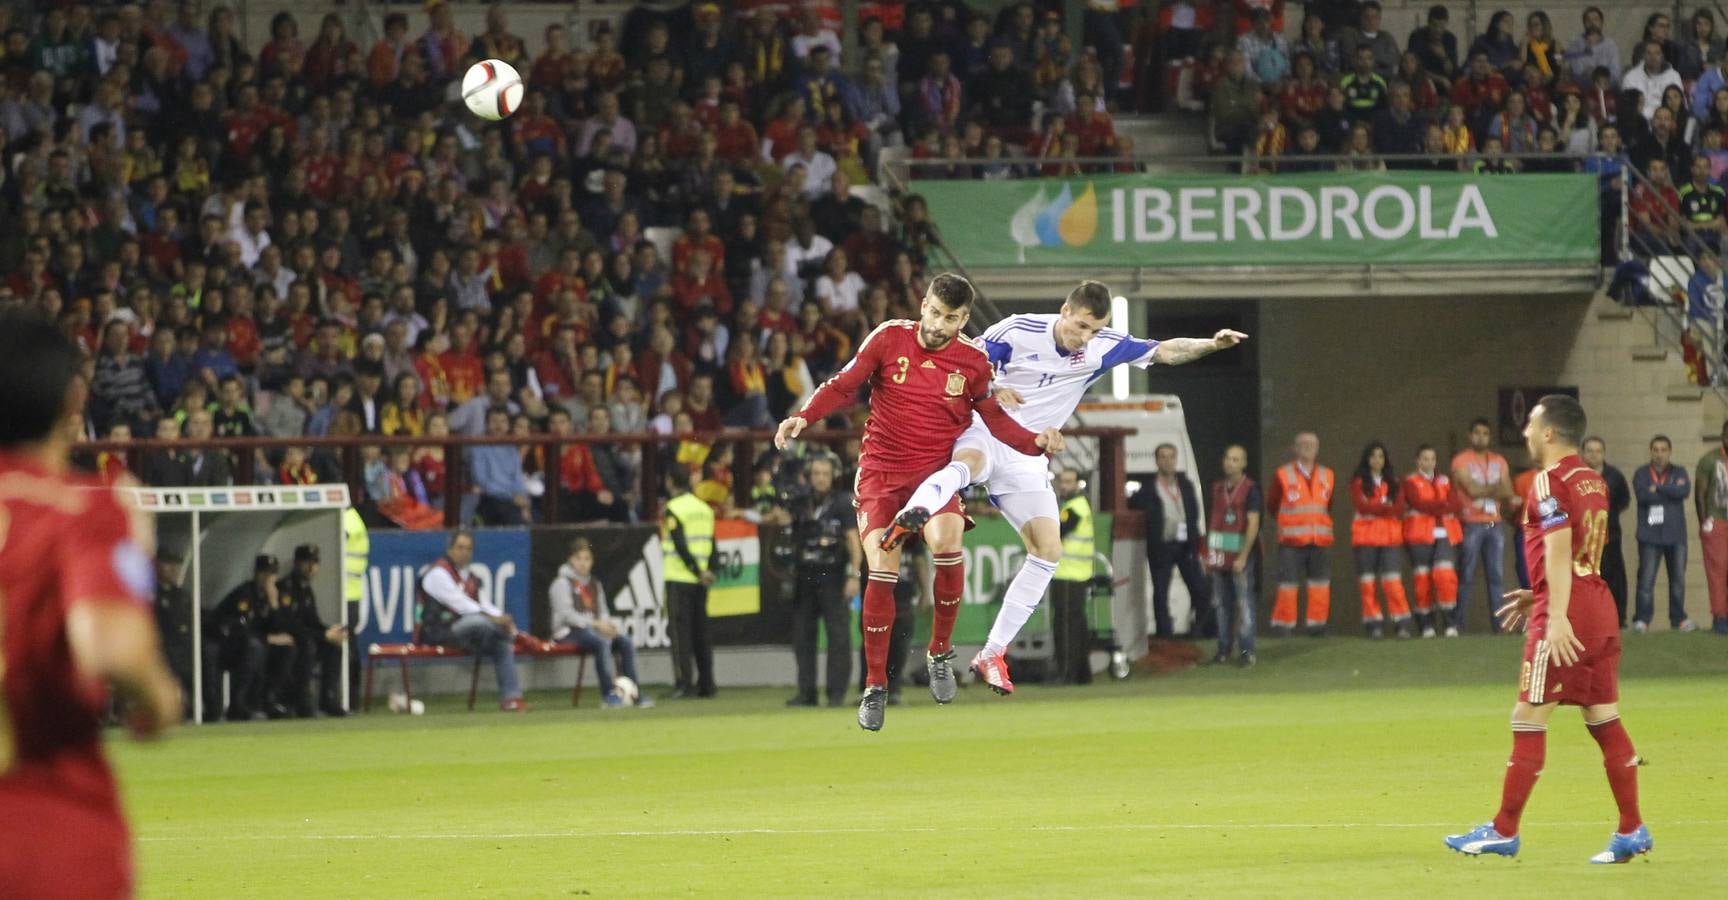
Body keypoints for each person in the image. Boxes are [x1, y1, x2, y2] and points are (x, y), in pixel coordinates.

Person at [888, 281, 1243, 693]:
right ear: (1064, 311)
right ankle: (914, 509)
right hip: (988, 430)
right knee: (968, 463)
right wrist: (991, 388)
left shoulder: (1102, 346)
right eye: (1081, 327)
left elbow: (1164, 349)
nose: (1085, 338)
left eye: (1095, 330)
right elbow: (964, 361)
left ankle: (991, 654)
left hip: (1030, 456)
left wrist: (1211, 345)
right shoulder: (1018, 330)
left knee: (1048, 550)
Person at [773, 273, 1062, 731]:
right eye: (933, 312)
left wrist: (1035, 442)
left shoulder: (972, 362)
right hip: (880, 478)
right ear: (922, 304)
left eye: (950, 318)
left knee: (948, 543)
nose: (938, 324)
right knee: (882, 570)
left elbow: (996, 422)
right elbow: (845, 384)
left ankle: (939, 652)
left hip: (935, 477)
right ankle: (874, 685)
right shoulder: (889, 337)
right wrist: (803, 416)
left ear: (963, 319)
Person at [0, 313, 180, 898]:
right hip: (43, 827)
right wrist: (157, 698)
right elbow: (108, 645)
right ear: (67, 402)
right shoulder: (80, 509)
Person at [1444, 395, 1650, 865]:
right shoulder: (1593, 478)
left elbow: (1558, 548)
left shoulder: (1548, 480)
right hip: (1599, 606)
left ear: (1550, 434)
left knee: (1528, 717)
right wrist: (1538, 594)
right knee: (1604, 719)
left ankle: (1503, 830)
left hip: (1567, 614)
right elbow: (1581, 553)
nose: (1526, 434)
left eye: (1532, 426)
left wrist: (1553, 613)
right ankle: (1631, 827)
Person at [776, 453, 859, 707]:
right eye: (816, 474)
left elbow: (853, 540)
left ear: (832, 476)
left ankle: (836, 694)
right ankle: (806, 692)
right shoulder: (801, 502)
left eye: (825, 474)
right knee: (803, 637)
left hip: (833, 575)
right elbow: (785, 523)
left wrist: (854, 574)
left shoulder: (843, 502)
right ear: (809, 477)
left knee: (839, 637)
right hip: (805, 575)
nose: (821, 479)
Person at [418, 530, 527, 712]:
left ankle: (512, 698)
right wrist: (496, 620)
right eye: (460, 547)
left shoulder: (470, 577)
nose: (464, 552)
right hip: (439, 631)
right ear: (450, 549)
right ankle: (511, 636)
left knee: (501, 643)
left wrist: (509, 625)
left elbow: (485, 604)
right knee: (480, 621)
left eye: (468, 549)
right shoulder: (438, 573)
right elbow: (462, 604)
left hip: (468, 633)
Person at [549, 538, 652, 709]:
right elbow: (566, 615)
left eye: (587, 559)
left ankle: (634, 692)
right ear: (571, 560)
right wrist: (596, 625)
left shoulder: (595, 584)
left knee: (625, 641)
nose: (583, 563)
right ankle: (609, 694)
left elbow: (603, 611)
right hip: (567, 632)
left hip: (592, 631)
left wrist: (607, 626)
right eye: (578, 559)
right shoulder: (561, 583)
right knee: (601, 642)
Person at [1133, 443, 1209, 641]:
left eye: (1171, 457)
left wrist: (1194, 536)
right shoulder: (1149, 488)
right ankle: (1164, 634)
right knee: (1161, 592)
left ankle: (1199, 628)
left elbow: (1194, 511)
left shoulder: (1185, 485)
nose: (1167, 461)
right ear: (1157, 461)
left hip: (1185, 546)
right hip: (1162, 546)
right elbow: (1137, 510)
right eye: (1163, 457)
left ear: (1176, 460)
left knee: (1200, 589)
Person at [269, 544, 348, 717]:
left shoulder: (306, 590)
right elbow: (288, 625)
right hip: (290, 641)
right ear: (297, 563)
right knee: (308, 645)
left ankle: (329, 699)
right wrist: (322, 634)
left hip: (305, 638)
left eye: (315, 562)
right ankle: (301, 699)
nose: (312, 567)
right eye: (307, 562)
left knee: (333, 646)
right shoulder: (286, 588)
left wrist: (329, 632)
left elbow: (312, 621)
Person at [1268, 432, 1336, 636]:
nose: (1307, 447)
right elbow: (1272, 505)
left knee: (1320, 585)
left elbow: (1327, 505)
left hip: (1320, 540)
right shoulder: (1282, 474)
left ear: (1317, 449)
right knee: (1287, 585)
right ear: (1294, 449)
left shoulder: (1328, 474)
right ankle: (1283, 627)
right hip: (1291, 541)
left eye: (1311, 444)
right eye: (1302, 444)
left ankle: (1317, 626)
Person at [1452, 417, 1514, 633]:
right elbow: (1471, 490)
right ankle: (1456, 624)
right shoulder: (1461, 460)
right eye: (1477, 432)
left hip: (1494, 524)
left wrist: (1487, 488)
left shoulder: (1499, 460)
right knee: (1465, 575)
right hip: (1471, 523)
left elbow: (1508, 491)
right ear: (1470, 435)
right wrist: (1495, 487)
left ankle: (1499, 627)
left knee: (1496, 576)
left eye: (1485, 433)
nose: (1481, 437)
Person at [661, 466, 718, 700]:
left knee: (680, 634)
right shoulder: (705, 509)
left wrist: (695, 570)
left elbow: (679, 543)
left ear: (671, 481)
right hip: (702, 581)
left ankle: (683, 683)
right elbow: (713, 545)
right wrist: (708, 571)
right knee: (701, 633)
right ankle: (707, 684)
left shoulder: (673, 508)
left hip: (680, 578)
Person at [1204, 445, 1261, 666]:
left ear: (1244, 464)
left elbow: (1253, 523)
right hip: (1220, 556)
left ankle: (1247, 651)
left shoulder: (1250, 489)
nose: (1230, 463)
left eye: (1236, 460)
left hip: (1239, 556)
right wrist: (1209, 555)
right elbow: (1214, 522)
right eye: (1228, 458)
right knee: (1221, 604)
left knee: (1244, 603)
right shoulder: (1217, 488)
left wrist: (1244, 556)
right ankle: (1223, 650)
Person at [1350, 441, 1413, 639]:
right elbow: (1362, 507)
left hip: (1389, 539)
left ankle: (1401, 624)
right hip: (1366, 539)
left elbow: (1399, 508)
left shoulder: (1394, 482)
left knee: (1393, 583)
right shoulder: (1358, 482)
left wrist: (1378, 506)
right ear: (1366, 459)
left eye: (1380, 456)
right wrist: (1384, 506)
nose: (1377, 460)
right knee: (1368, 584)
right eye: (1373, 456)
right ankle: (1373, 625)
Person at [1631, 435, 1694, 633]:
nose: (1659, 454)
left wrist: (1657, 487)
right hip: (1650, 536)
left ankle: (1678, 619)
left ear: (1670, 452)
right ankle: (1642, 620)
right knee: (1646, 581)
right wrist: (1669, 490)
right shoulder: (1641, 473)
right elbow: (1643, 495)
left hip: (1676, 536)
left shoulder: (1680, 471)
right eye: (1655, 450)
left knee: (1678, 581)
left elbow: (1683, 492)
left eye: (1663, 449)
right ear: (1650, 452)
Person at [205, 554, 276, 720]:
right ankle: (238, 704)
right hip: (226, 644)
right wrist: (266, 638)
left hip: (245, 643)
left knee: (283, 648)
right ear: (256, 573)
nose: (267, 578)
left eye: (271, 574)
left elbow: (279, 626)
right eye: (264, 573)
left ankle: (266, 702)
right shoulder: (245, 593)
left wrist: (274, 604)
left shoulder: (271, 596)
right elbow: (239, 627)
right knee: (255, 647)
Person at [1404, 445, 1462, 637]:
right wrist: (1442, 505)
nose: (1429, 462)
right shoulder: (1411, 481)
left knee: (1445, 577)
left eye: (1432, 459)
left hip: (1445, 534)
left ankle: (1450, 623)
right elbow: (1418, 503)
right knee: (1422, 581)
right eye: (1425, 459)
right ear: (1418, 461)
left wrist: (1438, 506)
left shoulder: (1445, 480)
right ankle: (1426, 625)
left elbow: (1455, 502)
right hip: (1419, 535)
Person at [1048, 468, 1096, 684]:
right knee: (1077, 626)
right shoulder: (1077, 506)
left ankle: (1066, 673)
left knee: (1065, 627)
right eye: (1062, 481)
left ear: (1077, 484)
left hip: (1068, 575)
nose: (1065, 485)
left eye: (1069, 481)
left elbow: (1057, 532)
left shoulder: (1073, 508)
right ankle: (1083, 673)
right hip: (1078, 574)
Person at [1581, 436, 1632, 628]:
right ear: (1583, 453)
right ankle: (1587, 620)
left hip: (1610, 536)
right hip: (1584, 538)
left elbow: (1623, 501)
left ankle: (1618, 618)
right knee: (1586, 579)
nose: (1594, 455)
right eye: (1590, 451)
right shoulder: (1576, 475)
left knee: (1614, 578)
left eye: (1598, 451)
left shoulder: (1614, 476)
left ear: (1604, 454)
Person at [1695, 419, 1728, 635]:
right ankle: (1720, 617)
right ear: (1723, 434)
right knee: (1718, 572)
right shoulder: (1710, 459)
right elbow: (1700, 493)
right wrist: (1704, 521)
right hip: (1717, 520)